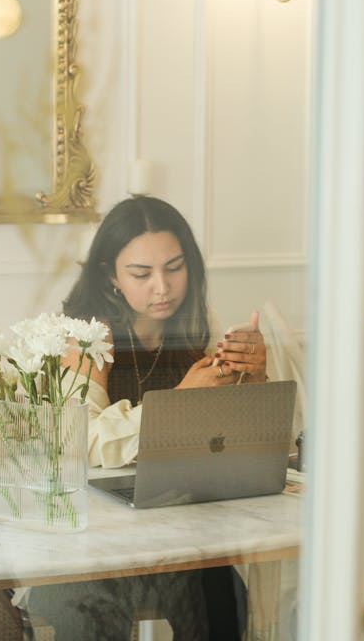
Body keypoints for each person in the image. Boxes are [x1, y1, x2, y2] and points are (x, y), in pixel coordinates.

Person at [25, 195, 267, 641]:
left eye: (175, 268)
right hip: (91, 534)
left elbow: (230, 447)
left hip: (178, 524)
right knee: (92, 600)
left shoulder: (197, 326)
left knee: (222, 585)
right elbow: (82, 445)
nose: (162, 287)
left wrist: (251, 378)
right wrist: (180, 402)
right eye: (142, 273)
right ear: (111, 276)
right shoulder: (86, 337)